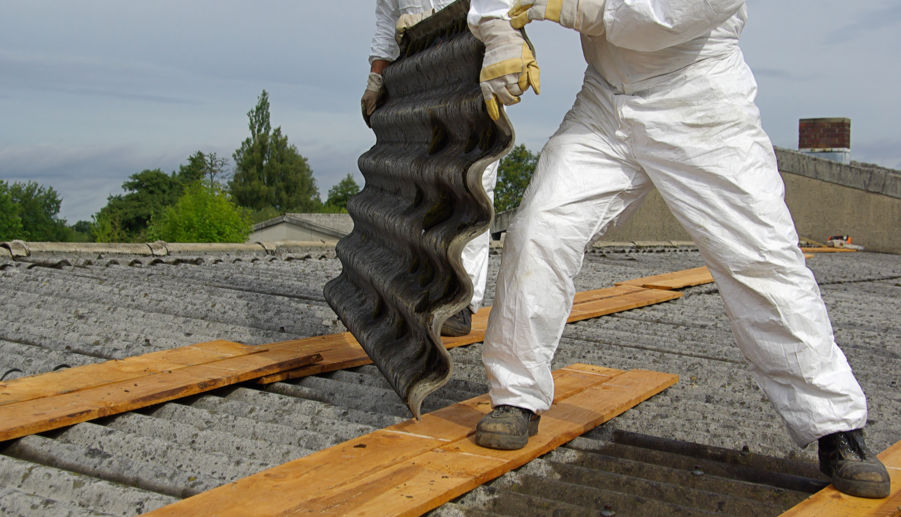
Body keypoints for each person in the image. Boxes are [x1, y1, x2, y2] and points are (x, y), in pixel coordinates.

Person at [467, 0, 890, 499]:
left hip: (701, 101)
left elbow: (656, 20)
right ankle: (516, 398)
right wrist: (499, 33)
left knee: (761, 261)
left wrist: (562, 6)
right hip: (604, 103)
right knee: (539, 230)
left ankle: (835, 427)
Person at [363, 0, 500, 337]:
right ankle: (417, 288)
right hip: (416, 73)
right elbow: (386, 17)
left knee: (471, 184)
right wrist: (377, 75)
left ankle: (460, 302)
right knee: (418, 183)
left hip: (469, 62)